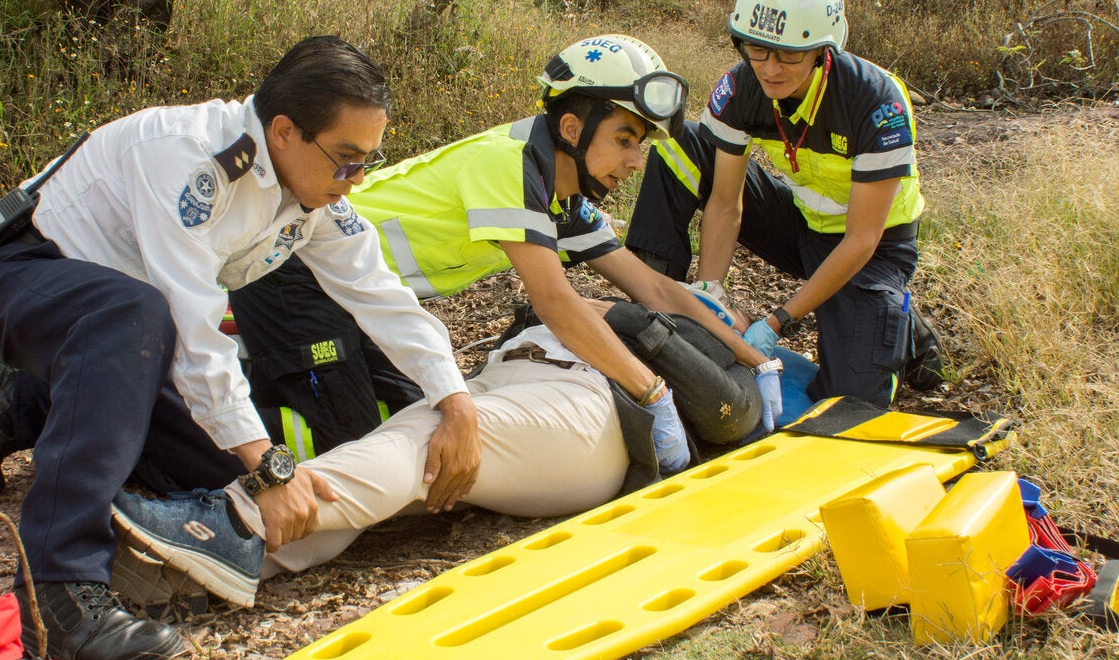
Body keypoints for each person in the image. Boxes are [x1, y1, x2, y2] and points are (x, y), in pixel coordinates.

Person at [0, 36, 478, 660]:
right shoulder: (189, 160)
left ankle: (22, 401)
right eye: (346, 160)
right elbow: (191, 326)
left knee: (214, 474)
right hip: (19, 273)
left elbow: (379, 292)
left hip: (115, 331)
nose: (357, 180)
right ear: (283, 131)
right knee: (140, 319)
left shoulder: (310, 191)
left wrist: (455, 401)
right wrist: (271, 468)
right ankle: (56, 591)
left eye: (368, 161)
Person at [231, 34, 783, 475]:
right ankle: (225, 417)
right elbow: (556, 304)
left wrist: (755, 360)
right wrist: (653, 393)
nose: (637, 160)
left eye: (640, 144)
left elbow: (655, 289)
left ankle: (269, 371)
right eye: (624, 139)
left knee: (414, 430)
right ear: (572, 128)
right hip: (296, 270)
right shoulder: (509, 164)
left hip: (361, 299)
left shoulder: (561, 195)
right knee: (353, 448)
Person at [108, 309, 751, 608]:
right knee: (393, 465)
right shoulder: (579, 301)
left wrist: (737, 344)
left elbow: (733, 413)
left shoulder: (693, 339)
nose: (718, 306)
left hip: (590, 411)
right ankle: (199, 571)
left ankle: (232, 522)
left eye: (728, 313)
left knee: (425, 443)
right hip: (504, 382)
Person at [625, 0, 944, 409]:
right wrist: (710, 294)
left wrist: (778, 321)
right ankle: (656, 309)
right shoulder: (742, 87)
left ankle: (899, 322)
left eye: (790, 54)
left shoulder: (876, 103)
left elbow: (862, 239)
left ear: (823, 50)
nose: (770, 70)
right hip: (803, 224)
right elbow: (725, 201)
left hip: (871, 249)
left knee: (852, 402)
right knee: (682, 146)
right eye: (756, 50)